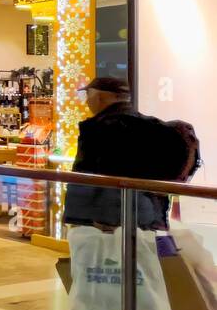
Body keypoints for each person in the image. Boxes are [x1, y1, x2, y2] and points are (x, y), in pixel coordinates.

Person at [64, 76, 189, 231]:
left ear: (99, 97)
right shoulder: (150, 126)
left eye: (88, 95)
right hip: (147, 217)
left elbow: (83, 176)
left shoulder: (97, 128)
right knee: (134, 254)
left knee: (110, 255)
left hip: (105, 220)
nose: (87, 101)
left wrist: (76, 219)